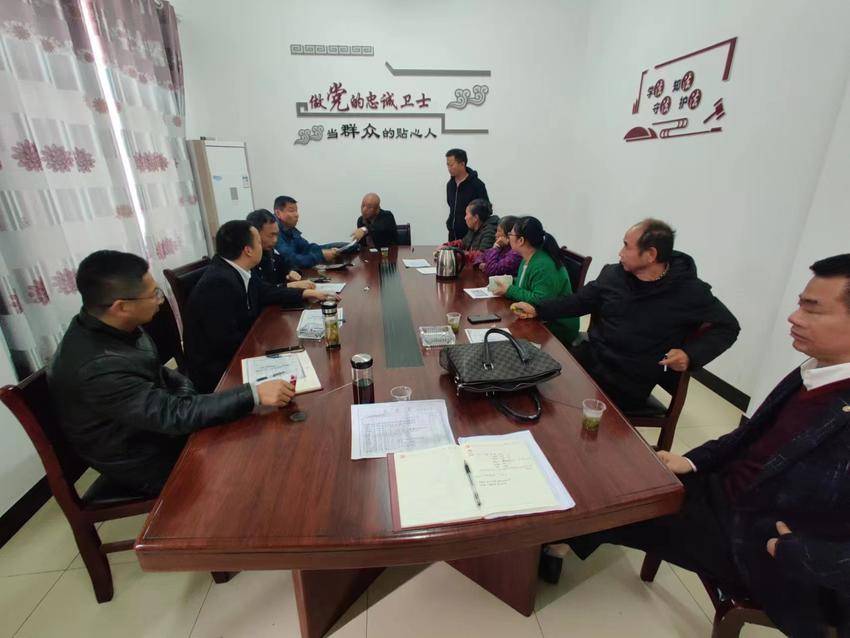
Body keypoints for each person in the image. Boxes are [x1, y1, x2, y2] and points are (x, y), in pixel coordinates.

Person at [560, 254, 850, 637]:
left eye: (812, 309)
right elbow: (747, 437)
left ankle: (551, 545)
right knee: (614, 470)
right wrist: (693, 462)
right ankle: (557, 542)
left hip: (756, 543)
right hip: (721, 493)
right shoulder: (814, 371)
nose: (794, 317)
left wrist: (798, 553)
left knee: (615, 498)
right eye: (799, 304)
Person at [48, 250, 296, 496]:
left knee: (261, 429)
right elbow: (173, 416)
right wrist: (253, 393)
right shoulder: (97, 367)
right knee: (259, 463)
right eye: (154, 294)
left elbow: (162, 375)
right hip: (143, 459)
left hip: (156, 428)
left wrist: (187, 400)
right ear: (121, 307)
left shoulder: (113, 324)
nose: (160, 300)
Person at [511, 219, 740, 410]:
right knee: (528, 381)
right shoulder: (614, 275)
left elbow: (728, 327)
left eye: (626, 246)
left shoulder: (688, 291)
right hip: (591, 360)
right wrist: (538, 309)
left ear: (650, 254)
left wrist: (690, 355)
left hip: (627, 381)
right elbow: (580, 301)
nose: (620, 253)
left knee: (552, 407)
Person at [184, 220, 332, 393]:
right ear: (248, 250)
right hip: (221, 375)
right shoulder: (218, 283)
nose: (264, 247)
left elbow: (265, 292)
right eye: (259, 243)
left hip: (238, 355)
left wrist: (305, 293)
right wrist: (269, 352)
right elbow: (225, 341)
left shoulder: (237, 269)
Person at [489, 216, 578, 345]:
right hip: (537, 317)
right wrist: (509, 282)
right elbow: (525, 284)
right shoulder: (528, 257)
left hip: (556, 326)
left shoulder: (543, 265)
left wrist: (509, 290)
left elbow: (540, 301)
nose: (508, 237)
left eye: (510, 234)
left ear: (521, 240)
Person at [246, 208, 315, 290]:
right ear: (255, 234)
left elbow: (288, 264)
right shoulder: (248, 259)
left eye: (277, 235)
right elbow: (260, 291)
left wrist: (292, 271)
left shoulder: (270, 252)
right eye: (271, 235)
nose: (275, 240)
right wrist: (289, 286)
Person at [273, 195, 339, 269]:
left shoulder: (289, 229)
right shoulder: (273, 233)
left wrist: (333, 249)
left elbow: (307, 248)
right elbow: (293, 261)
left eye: (296, 211)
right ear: (278, 213)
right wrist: (321, 256)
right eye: (291, 211)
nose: (296, 215)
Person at [445, 148, 489, 242]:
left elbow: (486, 210)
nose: (449, 168)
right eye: (447, 165)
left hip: (472, 238)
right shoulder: (450, 185)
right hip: (453, 236)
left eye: (451, 165)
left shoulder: (477, 185)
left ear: (462, 164)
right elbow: (451, 206)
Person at [437, 199, 499, 264]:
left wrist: (455, 255)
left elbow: (482, 256)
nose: (465, 218)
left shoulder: (490, 232)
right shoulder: (474, 228)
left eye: (466, 214)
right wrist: (446, 247)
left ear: (476, 218)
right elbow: (463, 243)